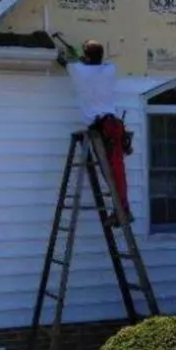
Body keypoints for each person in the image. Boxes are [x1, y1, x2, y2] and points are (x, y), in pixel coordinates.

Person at [57, 38, 133, 227]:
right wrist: (83, 58)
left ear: (86, 57)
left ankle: (122, 211)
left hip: (102, 128)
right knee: (117, 171)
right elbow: (94, 67)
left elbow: (63, 61)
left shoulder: (77, 70)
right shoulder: (110, 70)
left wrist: (75, 57)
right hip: (114, 125)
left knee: (114, 172)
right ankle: (123, 210)